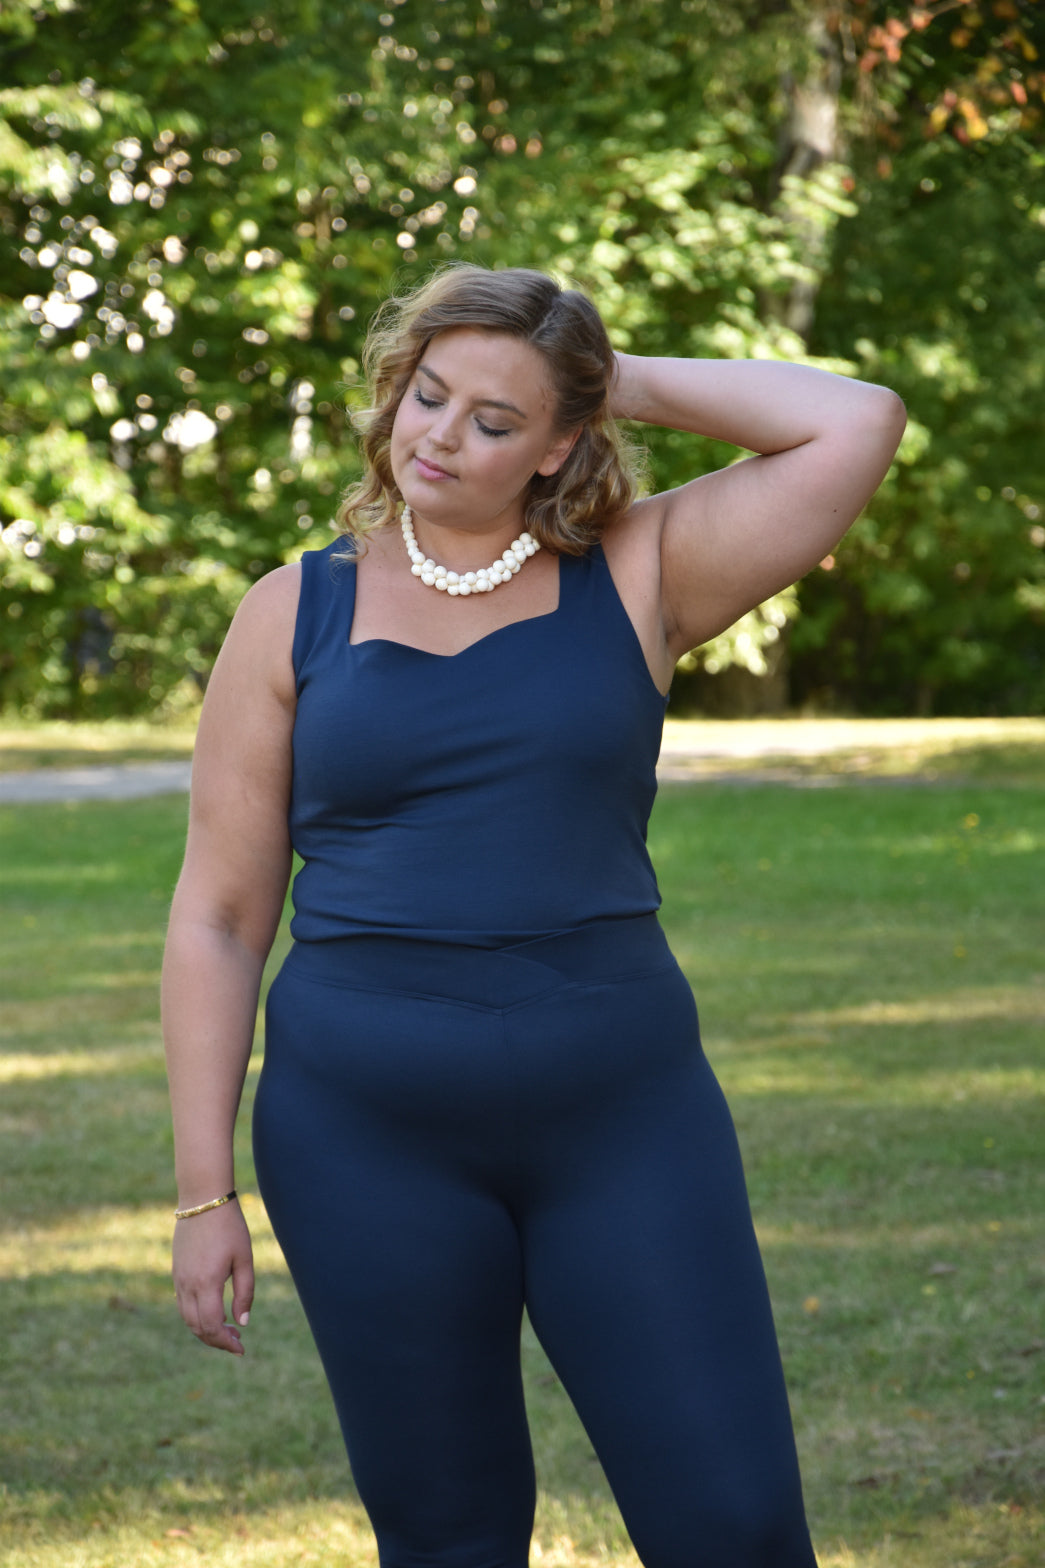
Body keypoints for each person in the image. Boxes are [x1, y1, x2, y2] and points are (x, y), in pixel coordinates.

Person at [162, 262, 905, 1568]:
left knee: (733, 1527)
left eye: (496, 419)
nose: (440, 436)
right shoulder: (292, 610)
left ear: (562, 442)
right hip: (361, 1135)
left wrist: (604, 374)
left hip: (623, 1119)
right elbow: (219, 916)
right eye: (429, 395)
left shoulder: (642, 568)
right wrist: (200, 1193)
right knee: (447, 1538)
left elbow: (856, 420)